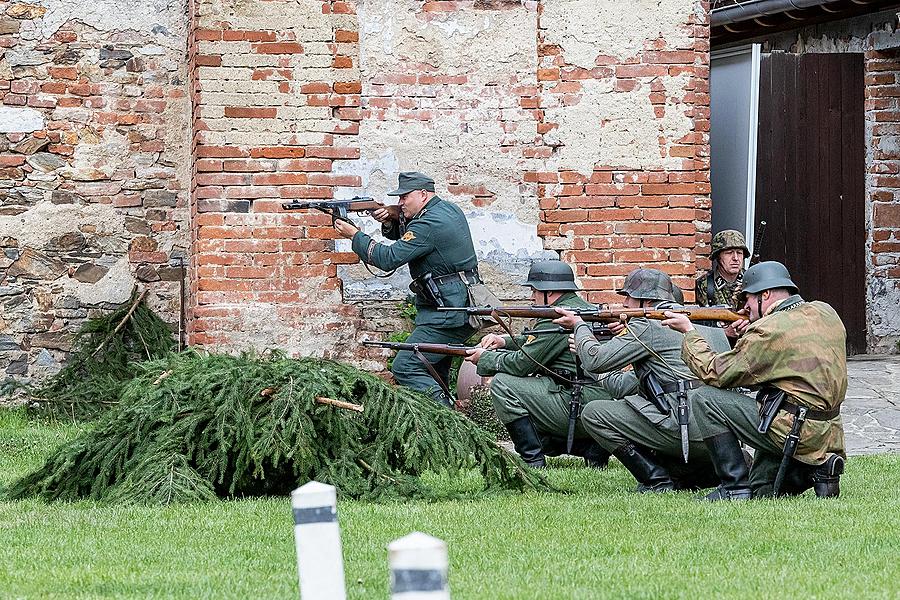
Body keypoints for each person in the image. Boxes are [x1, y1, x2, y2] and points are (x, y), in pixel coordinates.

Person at [663, 261, 847, 501]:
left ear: (765, 294)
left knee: (703, 398)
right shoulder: (825, 311)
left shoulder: (768, 331)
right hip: (828, 433)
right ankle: (819, 469)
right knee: (763, 490)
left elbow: (716, 373)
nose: (745, 307)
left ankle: (733, 487)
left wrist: (689, 332)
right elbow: (790, 352)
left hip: (794, 430)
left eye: (747, 299)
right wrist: (754, 327)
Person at [553, 268, 730, 493]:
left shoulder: (647, 324)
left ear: (646, 301)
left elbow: (596, 360)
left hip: (686, 427)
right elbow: (628, 385)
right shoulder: (707, 322)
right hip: (722, 434)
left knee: (594, 413)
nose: (625, 303)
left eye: (629, 296)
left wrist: (580, 328)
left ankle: (656, 479)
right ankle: (693, 471)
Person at [335, 171, 479, 406]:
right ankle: (442, 431)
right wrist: (391, 217)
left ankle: (447, 417)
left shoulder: (430, 223)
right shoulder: (447, 209)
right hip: (452, 305)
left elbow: (388, 258)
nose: (400, 202)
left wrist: (355, 236)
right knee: (433, 371)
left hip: (447, 312)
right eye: (398, 199)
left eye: (404, 197)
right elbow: (414, 237)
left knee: (406, 365)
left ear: (423, 194)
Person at [464, 260, 613, 469]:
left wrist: (485, 358)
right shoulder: (583, 309)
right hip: (598, 397)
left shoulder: (558, 317)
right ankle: (590, 448)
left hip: (578, 401)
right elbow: (541, 342)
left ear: (549, 293)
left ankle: (532, 460)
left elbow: (523, 365)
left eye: (534, 290)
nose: (532, 296)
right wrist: (504, 341)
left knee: (503, 385)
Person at [695, 230, 749, 310]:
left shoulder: (751, 281)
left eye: (739, 253)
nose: (736, 258)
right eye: (729, 253)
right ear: (718, 257)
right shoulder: (705, 284)